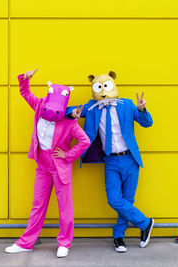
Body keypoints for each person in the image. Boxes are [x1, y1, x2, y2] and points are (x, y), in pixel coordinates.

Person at [5, 69, 90, 257]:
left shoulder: (69, 122)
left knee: (64, 205)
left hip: (60, 166)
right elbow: (25, 93)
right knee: (38, 204)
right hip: (42, 164)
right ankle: (26, 242)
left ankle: (65, 243)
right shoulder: (39, 105)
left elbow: (85, 141)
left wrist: (68, 155)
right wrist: (24, 80)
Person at [66, 71, 154, 253]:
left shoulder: (127, 105)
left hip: (130, 158)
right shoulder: (92, 107)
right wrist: (72, 112)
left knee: (127, 200)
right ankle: (146, 223)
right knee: (114, 199)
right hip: (111, 161)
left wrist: (142, 109)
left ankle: (118, 236)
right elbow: (70, 110)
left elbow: (147, 123)